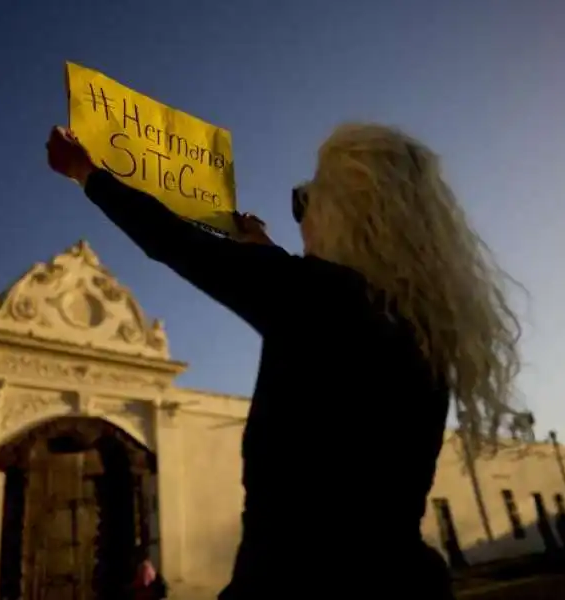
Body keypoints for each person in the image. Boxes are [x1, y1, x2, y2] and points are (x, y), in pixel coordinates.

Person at [46, 123, 522, 599]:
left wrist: (87, 173)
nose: (299, 218)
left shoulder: (314, 301)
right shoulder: (422, 332)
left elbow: (174, 241)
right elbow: (308, 297)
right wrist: (266, 255)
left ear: (344, 211)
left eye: (303, 200)